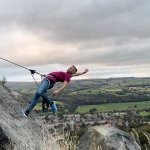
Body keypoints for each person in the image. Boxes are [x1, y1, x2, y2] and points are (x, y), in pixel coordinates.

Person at [22, 65, 89, 117]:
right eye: (70, 67)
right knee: (36, 97)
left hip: (48, 81)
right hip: (47, 79)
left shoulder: (68, 77)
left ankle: (51, 103)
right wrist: (83, 72)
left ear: (73, 72)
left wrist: (57, 91)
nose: (69, 68)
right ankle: (27, 112)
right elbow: (77, 74)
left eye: (71, 69)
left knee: (39, 92)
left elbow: (65, 85)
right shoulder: (68, 74)